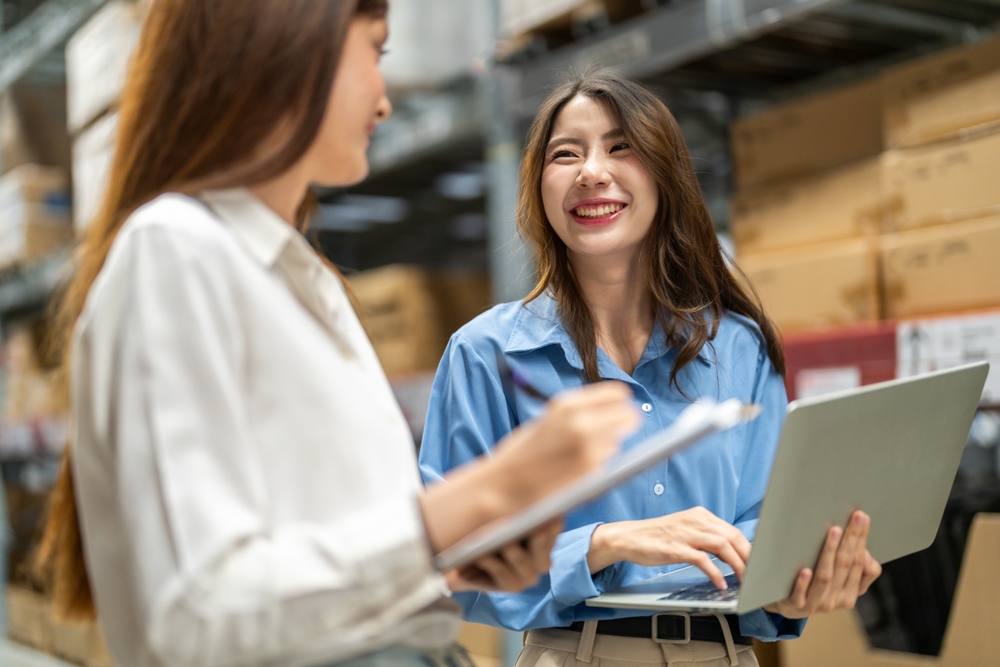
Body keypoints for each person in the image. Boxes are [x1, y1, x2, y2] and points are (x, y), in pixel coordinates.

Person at [33, 4, 645, 667]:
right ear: (290, 43)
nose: (383, 102)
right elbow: (196, 612)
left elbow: (310, 571)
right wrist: (479, 495)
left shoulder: (304, 282)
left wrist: (460, 554)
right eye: (374, 52)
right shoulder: (176, 252)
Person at [418, 71, 883, 667]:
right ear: (538, 187)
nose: (591, 171)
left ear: (666, 176)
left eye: (620, 147)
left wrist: (804, 585)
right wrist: (603, 545)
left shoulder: (737, 347)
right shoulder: (484, 354)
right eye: (566, 154)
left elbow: (764, 539)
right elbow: (449, 562)